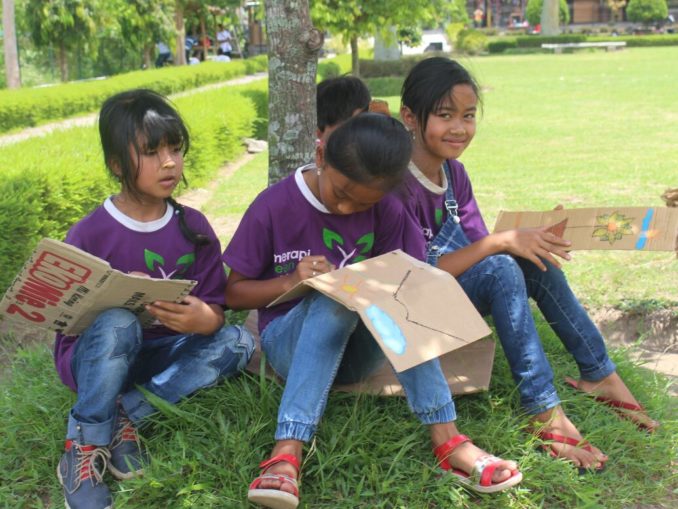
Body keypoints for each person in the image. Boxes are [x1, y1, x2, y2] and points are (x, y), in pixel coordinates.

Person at [223, 112, 523, 509]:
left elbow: (413, 285)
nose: (347, 209)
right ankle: (287, 449)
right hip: (289, 348)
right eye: (341, 193)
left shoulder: (389, 210)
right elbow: (233, 294)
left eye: (364, 203)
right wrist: (289, 282)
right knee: (332, 298)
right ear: (320, 155)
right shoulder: (274, 205)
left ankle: (448, 439)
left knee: (395, 295)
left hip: (361, 355)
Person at [397, 57, 659, 474]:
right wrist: (501, 243)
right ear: (410, 116)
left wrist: (526, 238)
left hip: (452, 291)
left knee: (533, 260)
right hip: (413, 305)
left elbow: (477, 247)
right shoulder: (396, 183)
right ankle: (542, 410)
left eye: (468, 116)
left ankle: (600, 375)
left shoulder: (454, 173)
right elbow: (410, 277)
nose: (459, 128)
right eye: (445, 116)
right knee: (503, 265)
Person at [53, 89, 255, 509]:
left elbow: (215, 308)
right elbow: (68, 330)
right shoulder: (89, 235)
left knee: (238, 342)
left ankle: (123, 415)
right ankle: (83, 445)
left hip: (163, 354)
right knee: (119, 323)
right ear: (116, 164)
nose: (169, 162)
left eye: (175, 149)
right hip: (98, 361)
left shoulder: (193, 227)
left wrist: (206, 319)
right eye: (151, 152)